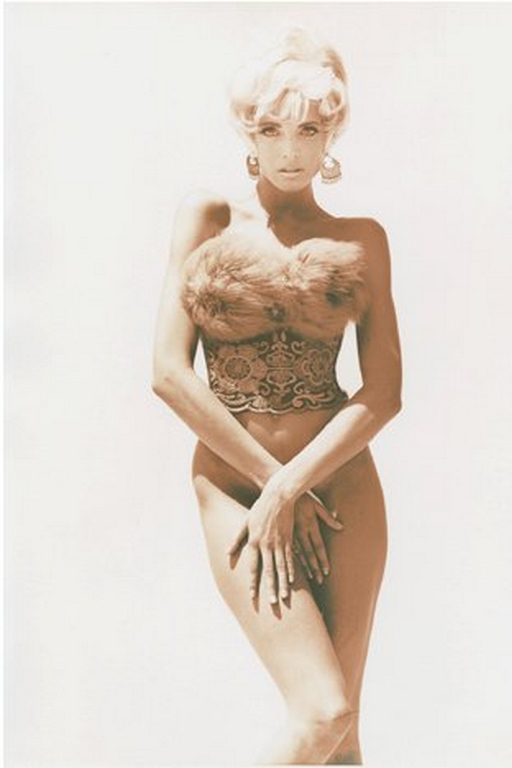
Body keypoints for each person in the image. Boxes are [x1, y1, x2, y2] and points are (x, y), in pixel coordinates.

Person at [152, 27, 402, 766]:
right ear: (247, 131)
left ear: (332, 136)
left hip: (338, 492)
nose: (290, 150)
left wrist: (294, 485)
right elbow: (168, 372)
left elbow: (384, 392)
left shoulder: (362, 238)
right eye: (271, 129)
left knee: (342, 737)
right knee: (322, 713)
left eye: (309, 130)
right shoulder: (208, 218)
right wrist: (271, 485)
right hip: (237, 491)